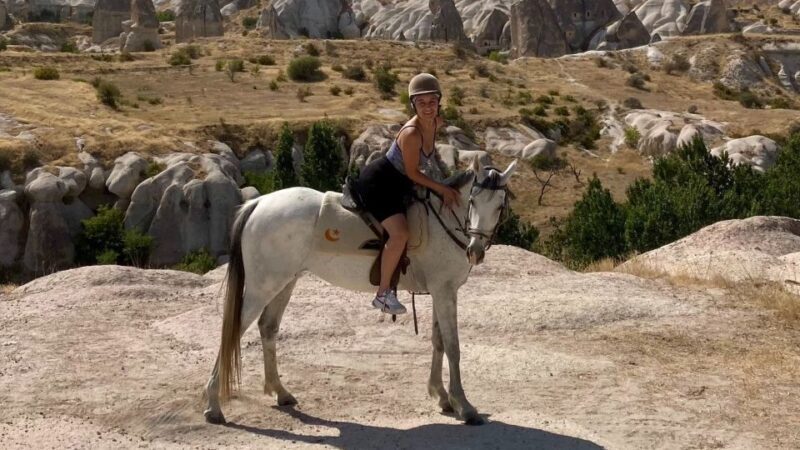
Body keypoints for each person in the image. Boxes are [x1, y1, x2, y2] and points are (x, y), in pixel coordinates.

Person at [355, 73, 461, 315]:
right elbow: (413, 172)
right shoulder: (412, 133)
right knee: (400, 233)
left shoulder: (435, 123)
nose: (428, 107)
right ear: (413, 104)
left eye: (432, 101)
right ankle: (383, 294)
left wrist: (443, 181)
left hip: (400, 182)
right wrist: (441, 188)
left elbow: (429, 158)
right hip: (380, 182)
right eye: (421, 103)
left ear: (439, 103)